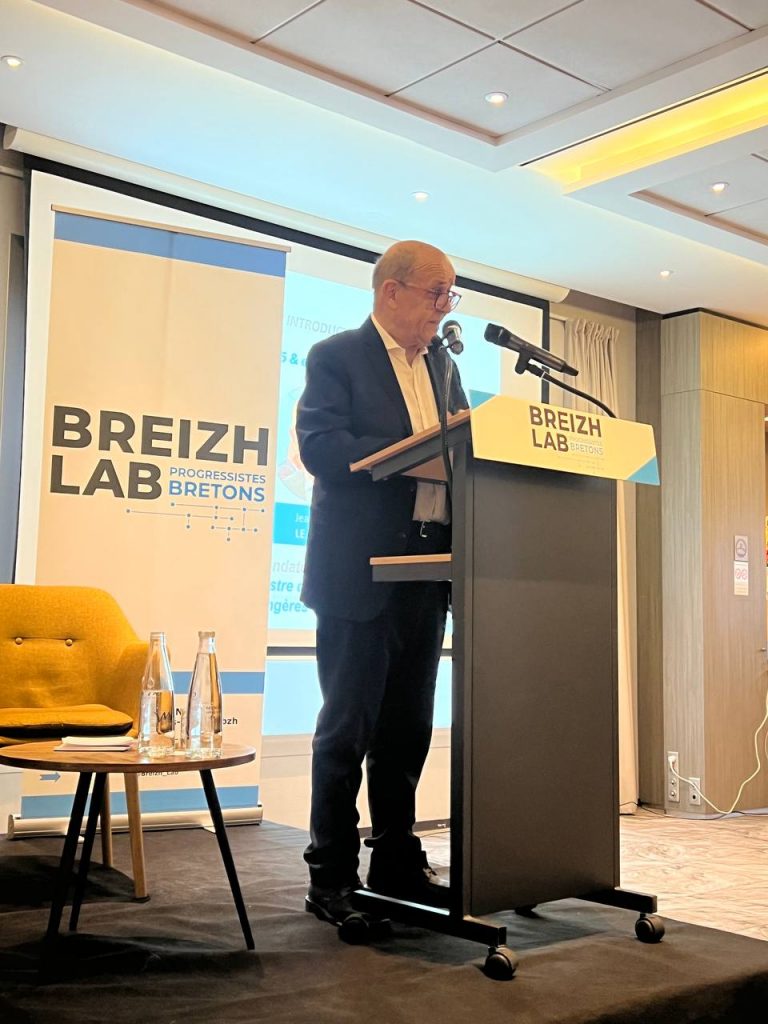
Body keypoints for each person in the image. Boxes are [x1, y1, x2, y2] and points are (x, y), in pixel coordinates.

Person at [296, 239, 468, 928]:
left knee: (407, 731)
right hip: (359, 573)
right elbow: (320, 448)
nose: (444, 307)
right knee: (347, 730)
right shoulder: (336, 355)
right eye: (435, 292)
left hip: (427, 571)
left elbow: (462, 452)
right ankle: (331, 875)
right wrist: (406, 460)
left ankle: (395, 858)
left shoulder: (445, 365)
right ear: (390, 291)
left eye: (450, 294)